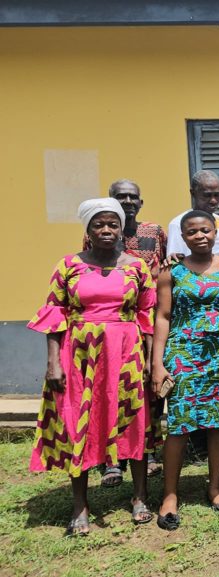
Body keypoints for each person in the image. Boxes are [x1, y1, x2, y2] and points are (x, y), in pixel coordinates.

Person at [29, 198, 157, 536]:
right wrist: (53, 362)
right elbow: (55, 313)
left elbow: (147, 317)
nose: (106, 230)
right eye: (98, 224)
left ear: (120, 229)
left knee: (133, 420)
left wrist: (148, 362)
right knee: (79, 424)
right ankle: (80, 506)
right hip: (80, 355)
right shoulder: (68, 265)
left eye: (112, 224)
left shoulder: (136, 267)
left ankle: (140, 497)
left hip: (127, 352)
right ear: (87, 229)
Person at [150, 210, 219, 531]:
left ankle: (215, 488)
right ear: (184, 236)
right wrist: (157, 363)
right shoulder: (172, 272)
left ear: (215, 232)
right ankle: (170, 495)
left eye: (205, 230)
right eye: (192, 232)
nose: (200, 236)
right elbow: (162, 317)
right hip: (183, 353)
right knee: (179, 424)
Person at [83, 179, 167, 484]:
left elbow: (168, 264)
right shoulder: (101, 232)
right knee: (109, 392)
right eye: (122, 196)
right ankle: (111, 458)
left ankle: (150, 448)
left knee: (150, 391)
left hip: (151, 315)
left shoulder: (154, 231)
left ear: (141, 202)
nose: (129, 201)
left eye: (134, 196)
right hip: (112, 322)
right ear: (112, 200)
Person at [167, 170, 219, 257]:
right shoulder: (178, 224)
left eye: (216, 195)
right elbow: (175, 260)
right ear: (193, 193)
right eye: (207, 195)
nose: (213, 201)